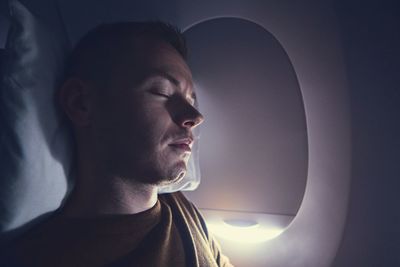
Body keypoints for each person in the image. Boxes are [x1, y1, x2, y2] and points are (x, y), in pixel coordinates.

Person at [1, 21, 232, 267]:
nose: (195, 117)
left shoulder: (183, 211)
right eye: (162, 92)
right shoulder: (40, 257)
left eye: (190, 100)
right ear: (81, 103)